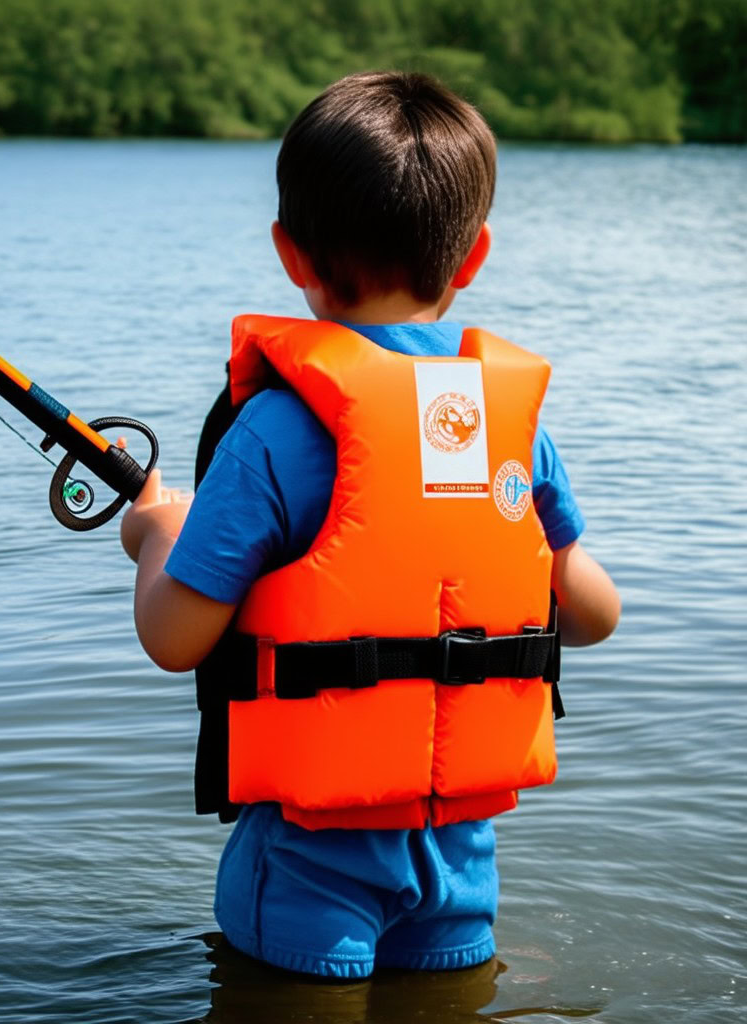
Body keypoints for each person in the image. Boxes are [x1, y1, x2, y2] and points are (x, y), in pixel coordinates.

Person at [119, 71, 620, 979]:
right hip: (460, 867)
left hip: (307, 867)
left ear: (289, 253)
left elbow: (174, 636)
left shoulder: (275, 431)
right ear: (473, 257)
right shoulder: (511, 426)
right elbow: (591, 615)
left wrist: (157, 530)